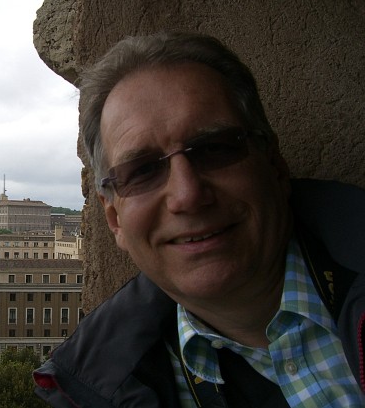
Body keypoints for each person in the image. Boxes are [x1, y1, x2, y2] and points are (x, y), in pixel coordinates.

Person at [33, 31, 365, 407]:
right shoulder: (90, 389)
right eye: (142, 171)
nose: (187, 195)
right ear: (115, 220)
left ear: (274, 165)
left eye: (213, 149)